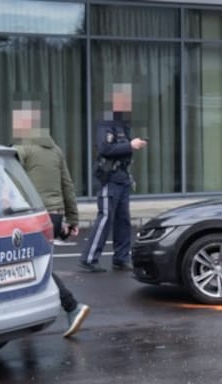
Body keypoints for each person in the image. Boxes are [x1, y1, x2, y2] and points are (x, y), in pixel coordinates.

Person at [11, 100, 91, 338]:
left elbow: (12, 184)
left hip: (30, 217)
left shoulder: (22, 150)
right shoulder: (55, 150)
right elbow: (67, 185)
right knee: (30, 267)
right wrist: (73, 220)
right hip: (53, 217)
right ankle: (26, 318)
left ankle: (72, 305)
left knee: (34, 268)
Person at [80, 83, 147, 272]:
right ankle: (89, 258)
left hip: (122, 177)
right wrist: (130, 146)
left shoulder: (123, 124)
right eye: (123, 99)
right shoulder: (107, 123)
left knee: (123, 220)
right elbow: (105, 149)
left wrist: (133, 147)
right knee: (105, 217)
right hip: (110, 178)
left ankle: (120, 258)